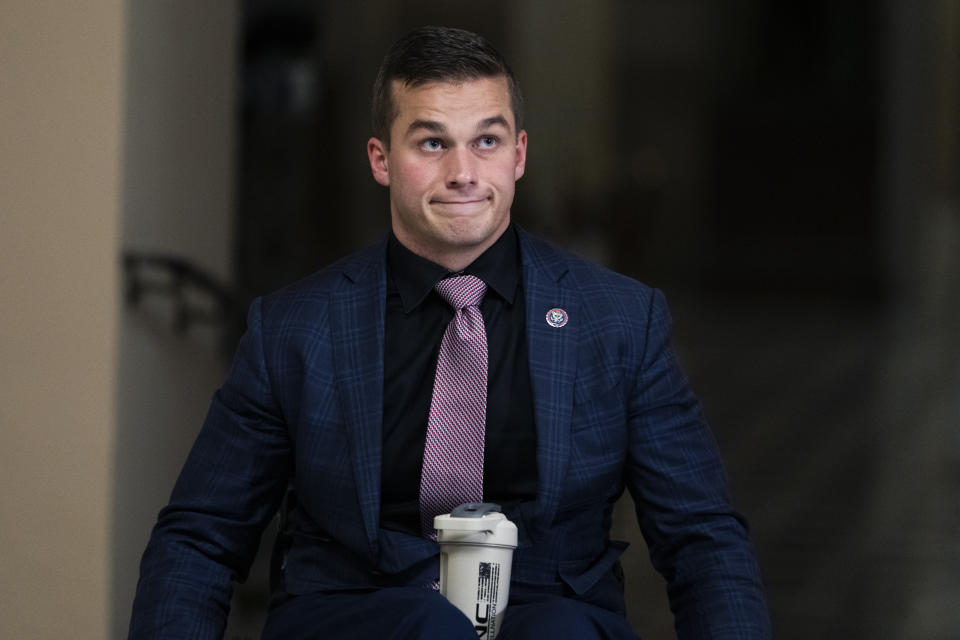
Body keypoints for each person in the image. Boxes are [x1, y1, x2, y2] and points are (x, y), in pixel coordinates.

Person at [129, 25, 770, 639]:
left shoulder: (622, 320)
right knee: (431, 629)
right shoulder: (295, 327)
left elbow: (702, 538)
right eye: (432, 143)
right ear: (382, 159)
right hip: (359, 614)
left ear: (518, 154)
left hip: (550, 612)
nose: (463, 172)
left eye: (486, 141)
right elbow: (200, 537)